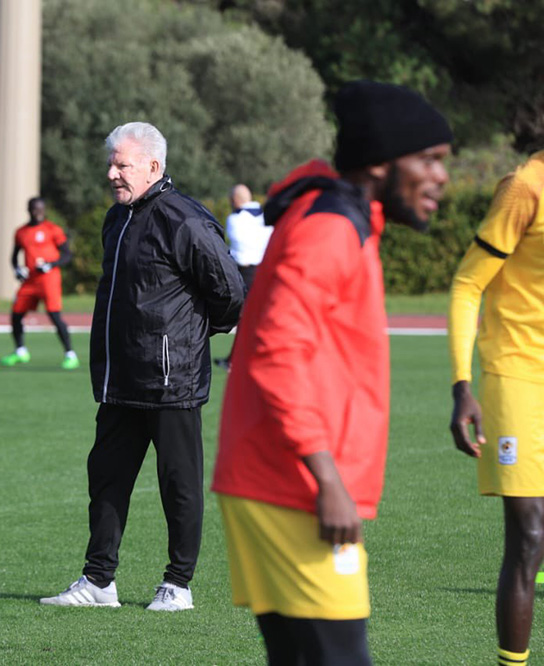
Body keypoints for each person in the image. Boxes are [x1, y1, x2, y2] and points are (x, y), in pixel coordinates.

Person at [211, 80, 453, 664]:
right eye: (429, 160)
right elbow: (274, 351)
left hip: (277, 477)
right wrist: (326, 477)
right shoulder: (330, 227)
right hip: (290, 483)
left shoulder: (347, 218)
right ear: (379, 162)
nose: (442, 177)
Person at [40, 121, 245, 611]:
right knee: (106, 479)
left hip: (171, 381)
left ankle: (178, 584)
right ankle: (98, 582)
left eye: (122, 164)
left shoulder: (185, 219)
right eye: (110, 164)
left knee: (178, 483)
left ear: (154, 166)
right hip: (119, 379)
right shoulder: (117, 217)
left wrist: (192, 338)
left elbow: (232, 294)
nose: (112, 173)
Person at [448, 151, 544, 666]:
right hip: (518, 376)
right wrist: (463, 385)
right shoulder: (525, 188)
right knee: (529, 535)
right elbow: (468, 285)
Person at [0, 197, 79, 370]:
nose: (37, 212)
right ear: (28, 210)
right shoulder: (20, 232)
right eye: (34, 209)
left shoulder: (53, 229)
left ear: (45, 210)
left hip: (48, 279)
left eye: (40, 209)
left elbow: (67, 255)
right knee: (16, 314)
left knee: (54, 315)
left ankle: (70, 354)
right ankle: (20, 351)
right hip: (30, 281)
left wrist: (50, 264)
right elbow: (14, 257)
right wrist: (17, 269)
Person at [214, 183, 272, 370]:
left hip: (246, 272)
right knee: (254, 318)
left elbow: (240, 251)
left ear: (234, 201)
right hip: (265, 270)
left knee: (247, 318)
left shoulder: (236, 219)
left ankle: (239, 359)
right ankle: (236, 358)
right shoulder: (265, 215)